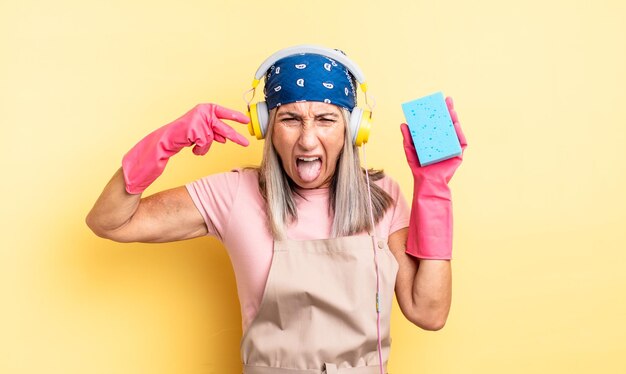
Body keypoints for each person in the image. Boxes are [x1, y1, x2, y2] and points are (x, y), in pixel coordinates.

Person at [86, 45, 467, 374]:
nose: (307, 138)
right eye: (290, 118)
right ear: (266, 125)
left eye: (325, 119)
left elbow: (429, 312)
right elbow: (110, 222)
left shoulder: (381, 196)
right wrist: (163, 144)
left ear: (352, 130)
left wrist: (433, 191)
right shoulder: (234, 194)